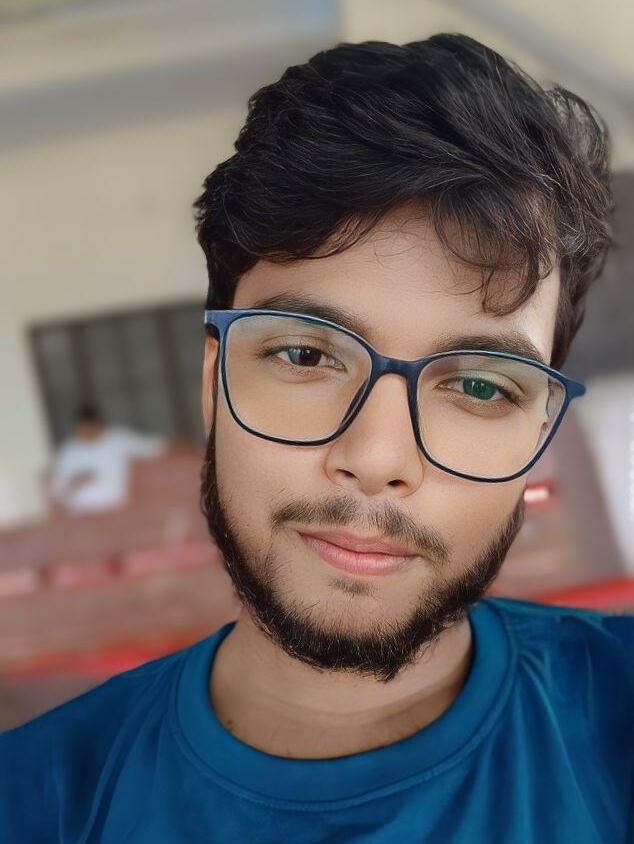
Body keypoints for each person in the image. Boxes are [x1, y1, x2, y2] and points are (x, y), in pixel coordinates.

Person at [1, 34, 632, 843]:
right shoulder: (34, 805)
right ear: (214, 381)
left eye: (479, 386)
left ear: (539, 433)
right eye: (305, 355)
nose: (375, 459)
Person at [47, 402, 169, 515]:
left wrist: (172, 445)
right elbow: (55, 490)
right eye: (82, 428)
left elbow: (152, 447)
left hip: (113, 508)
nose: (87, 432)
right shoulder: (69, 451)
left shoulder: (117, 439)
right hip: (80, 512)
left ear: (98, 425)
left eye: (90, 428)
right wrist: (72, 482)